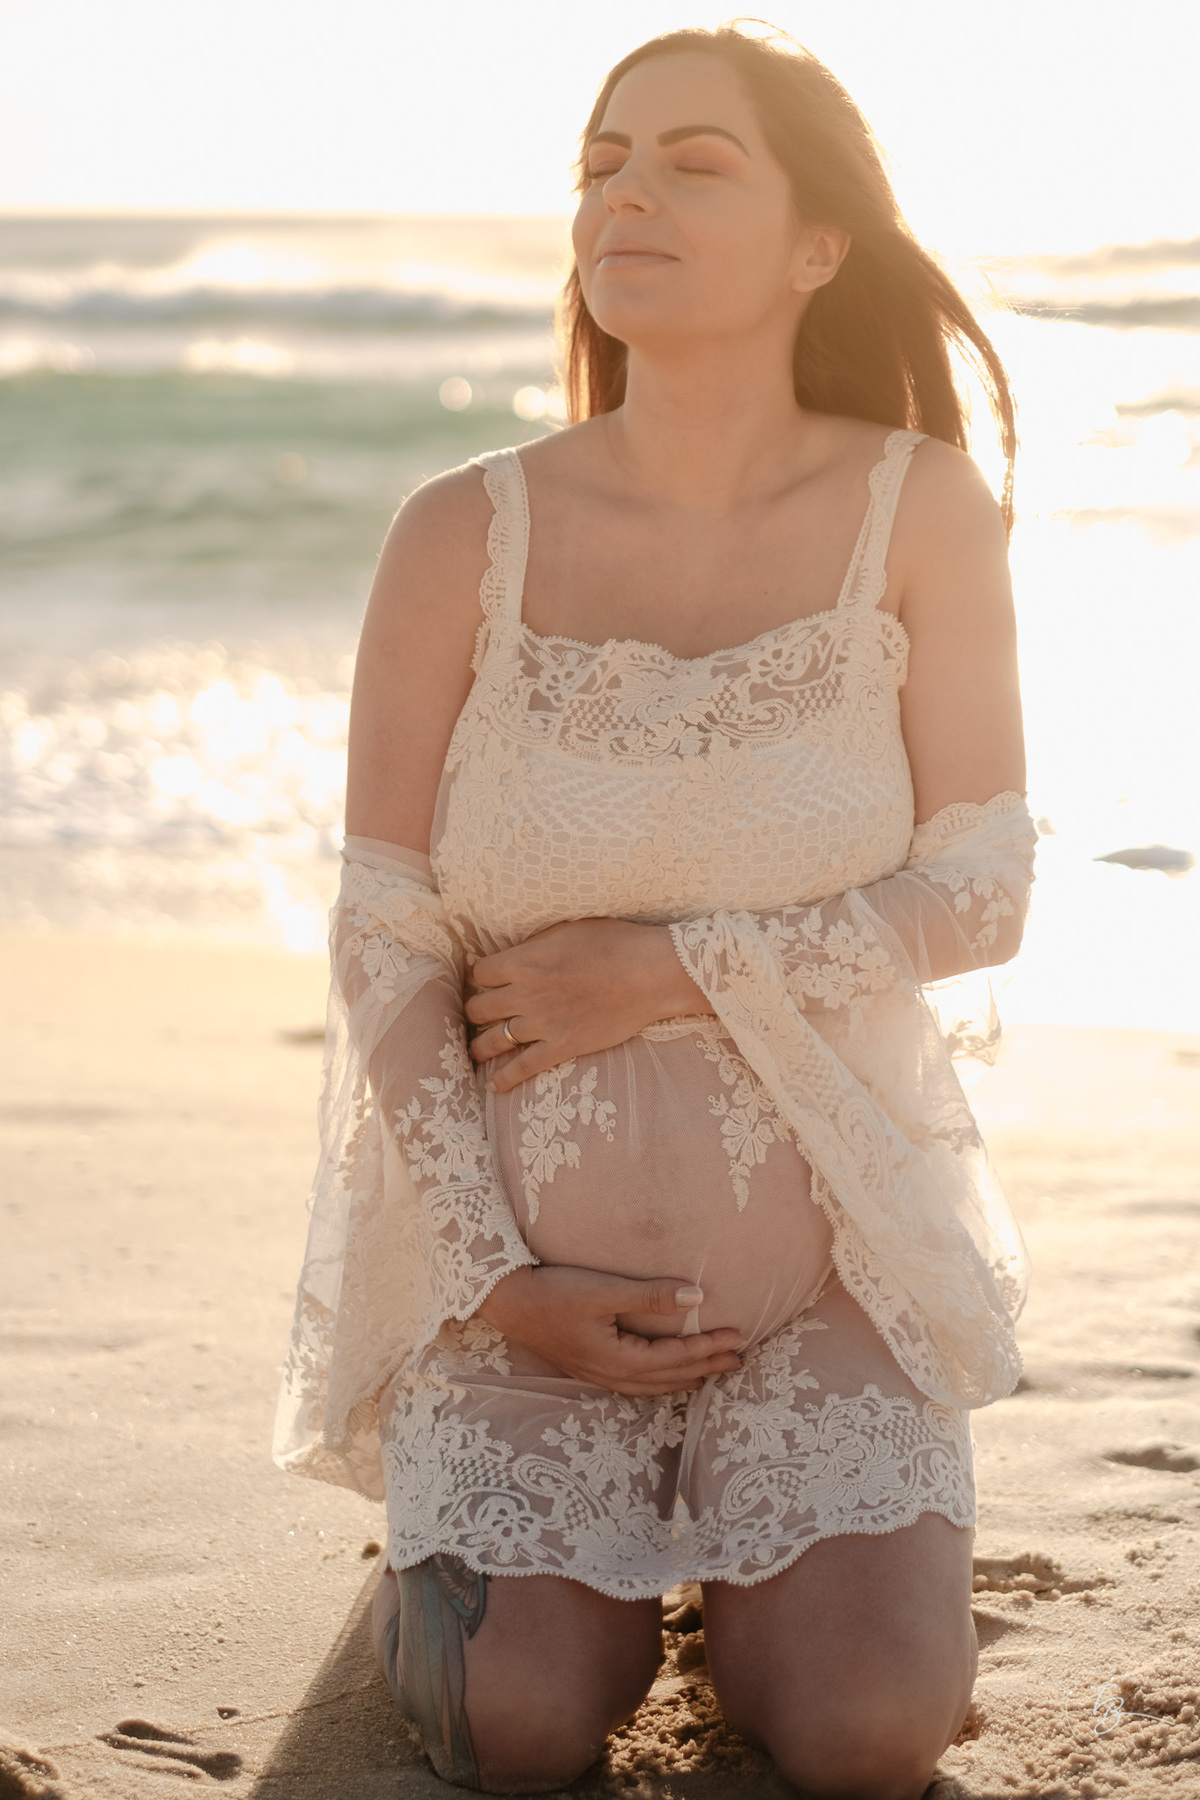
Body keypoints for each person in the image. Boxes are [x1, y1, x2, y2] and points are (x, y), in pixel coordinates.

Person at [275, 23, 1037, 1799]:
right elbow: (384, 920)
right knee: (517, 1728)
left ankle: (774, 1567)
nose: (626, 192)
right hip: (520, 1306)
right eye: (603, 161)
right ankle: (475, 1536)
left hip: (832, 1279)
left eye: (695, 161)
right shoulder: (464, 530)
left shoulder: (918, 509)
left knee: (866, 1740)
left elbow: (985, 887)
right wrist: (488, 1277)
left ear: (817, 245)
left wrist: (666, 972)